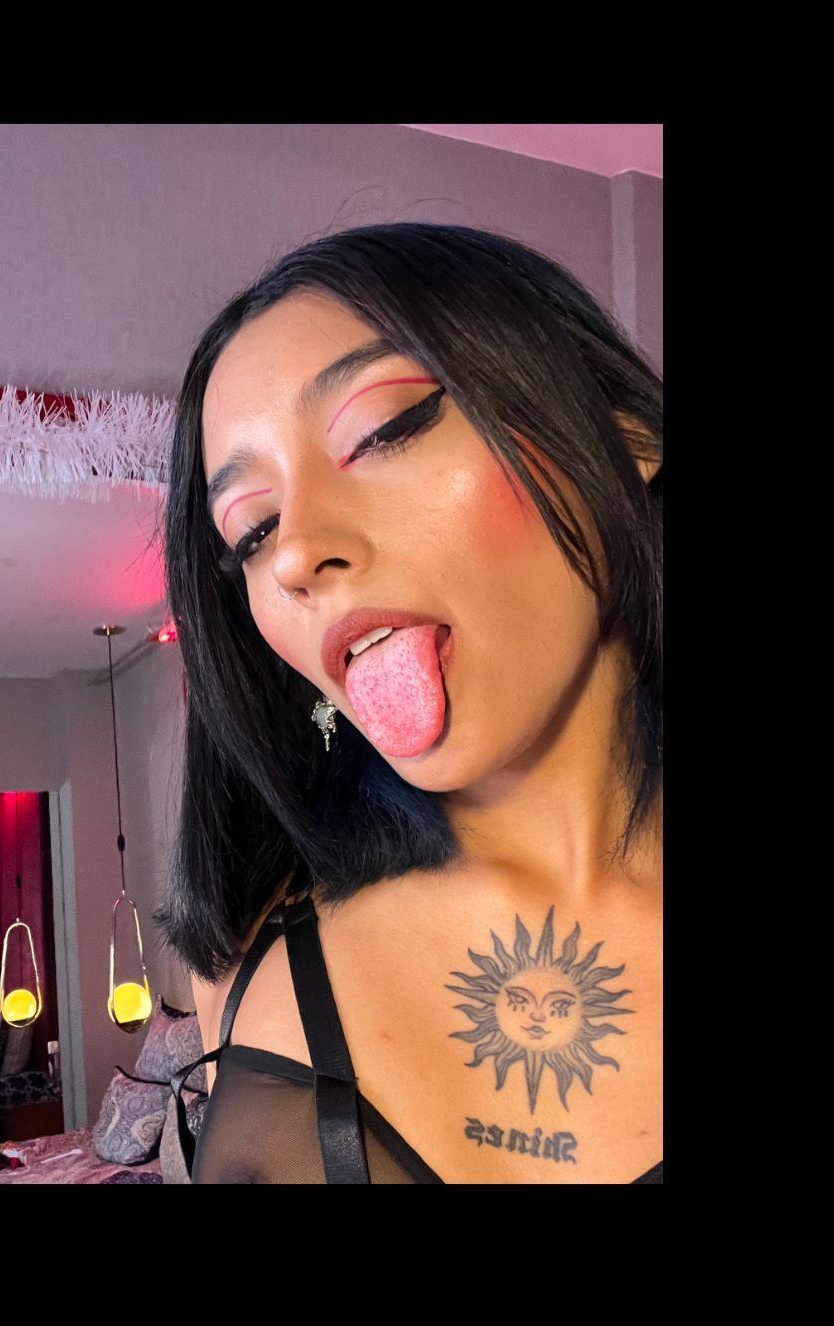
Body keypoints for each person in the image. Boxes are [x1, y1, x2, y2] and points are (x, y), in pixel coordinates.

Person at [155, 223, 663, 1184]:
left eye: (383, 429)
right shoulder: (245, 962)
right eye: (252, 530)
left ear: (623, 433)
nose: (294, 553)